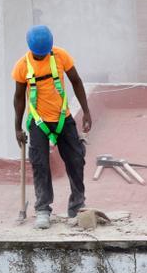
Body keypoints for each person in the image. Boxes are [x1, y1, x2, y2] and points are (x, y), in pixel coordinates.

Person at [12, 25, 94, 229]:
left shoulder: (60, 56)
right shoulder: (22, 66)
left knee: (76, 159)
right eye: (39, 55)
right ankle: (42, 209)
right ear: (32, 50)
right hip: (38, 121)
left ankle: (77, 205)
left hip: (62, 118)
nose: (42, 57)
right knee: (40, 164)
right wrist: (18, 127)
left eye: (45, 54)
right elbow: (19, 98)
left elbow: (76, 81)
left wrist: (86, 111)